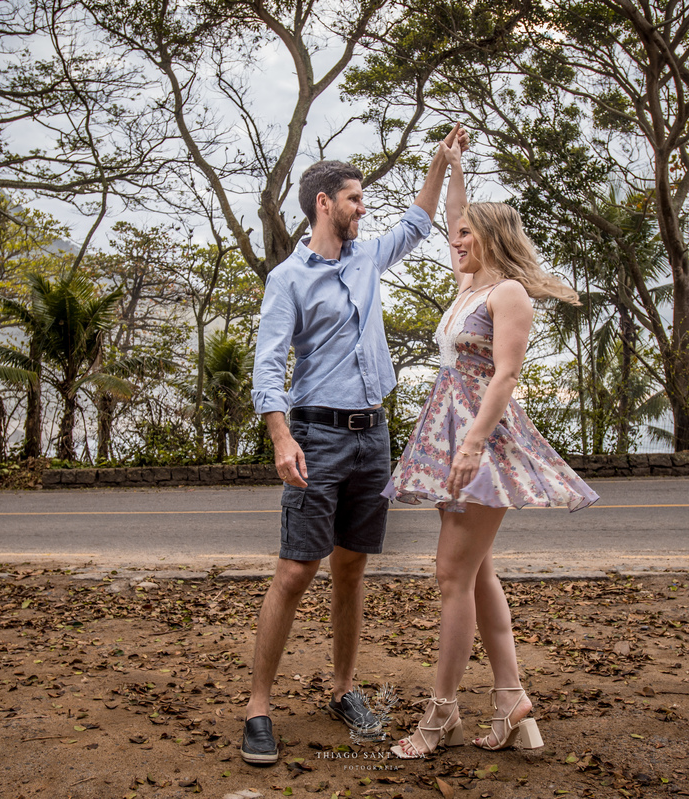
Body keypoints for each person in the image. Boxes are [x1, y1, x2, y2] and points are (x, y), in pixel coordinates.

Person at [240, 126, 470, 766]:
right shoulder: (288, 278)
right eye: (353, 198)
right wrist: (281, 436)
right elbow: (268, 366)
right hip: (315, 434)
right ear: (324, 204)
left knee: (351, 568)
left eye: (363, 199)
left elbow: (420, 220)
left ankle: (343, 690)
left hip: (373, 436)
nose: (362, 207)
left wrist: (439, 162)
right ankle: (258, 708)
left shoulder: (368, 258)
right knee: (295, 569)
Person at [383, 134, 599, 758]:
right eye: (455, 236)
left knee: (451, 573)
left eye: (468, 236)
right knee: (476, 572)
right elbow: (456, 215)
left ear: (493, 239)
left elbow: (505, 375)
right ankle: (510, 697)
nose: (456, 241)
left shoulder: (507, 294)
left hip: (485, 439)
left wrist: (473, 446)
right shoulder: (468, 287)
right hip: (450, 432)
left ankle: (440, 713)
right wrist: (450, 166)